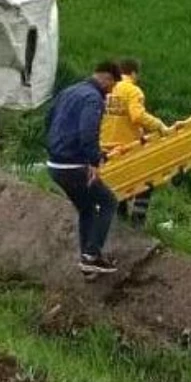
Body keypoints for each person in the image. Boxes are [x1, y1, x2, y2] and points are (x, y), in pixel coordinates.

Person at [46, 61, 122, 274]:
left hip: (55, 164)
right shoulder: (92, 98)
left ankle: (88, 264)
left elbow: (49, 118)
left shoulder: (70, 90)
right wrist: (95, 161)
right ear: (107, 78)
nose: (110, 93)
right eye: (112, 86)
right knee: (108, 202)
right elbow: (88, 132)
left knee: (87, 208)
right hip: (74, 165)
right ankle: (91, 255)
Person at [100, 58, 171, 227]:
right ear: (133, 73)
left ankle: (120, 218)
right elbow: (137, 116)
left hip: (103, 145)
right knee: (147, 179)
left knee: (118, 183)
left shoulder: (107, 88)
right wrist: (159, 125)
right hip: (126, 148)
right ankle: (137, 222)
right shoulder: (133, 91)